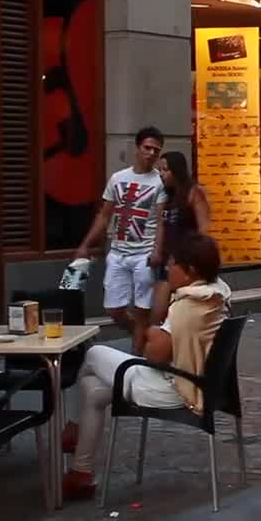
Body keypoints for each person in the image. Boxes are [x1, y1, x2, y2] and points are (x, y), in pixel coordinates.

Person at [62, 233, 230, 500]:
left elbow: (154, 354)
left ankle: (71, 427)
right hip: (198, 383)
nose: (168, 270)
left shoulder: (187, 306)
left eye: (173, 264)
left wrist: (149, 328)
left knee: (93, 353)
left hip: (171, 388)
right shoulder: (215, 296)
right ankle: (80, 473)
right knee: (92, 389)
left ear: (191, 271)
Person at [75, 126, 169, 355]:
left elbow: (160, 221)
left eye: (156, 150)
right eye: (147, 147)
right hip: (118, 252)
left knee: (141, 309)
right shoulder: (118, 178)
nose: (151, 153)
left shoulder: (160, 183)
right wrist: (86, 245)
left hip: (143, 254)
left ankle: (136, 355)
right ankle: (143, 335)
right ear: (137, 148)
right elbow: (104, 214)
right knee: (113, 309)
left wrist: (157, 251)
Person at [149, 151, 210, 326]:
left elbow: (204, 229)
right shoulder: (167, 195)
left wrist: (193, 258)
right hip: (167, 260)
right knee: (158, 311)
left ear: (177, 170)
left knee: (178, 311)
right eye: (160, 170)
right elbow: (162, 225)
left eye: (165, 170)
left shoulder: (193, 192)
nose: (161, 174)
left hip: (185, 261)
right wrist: (157, 252)